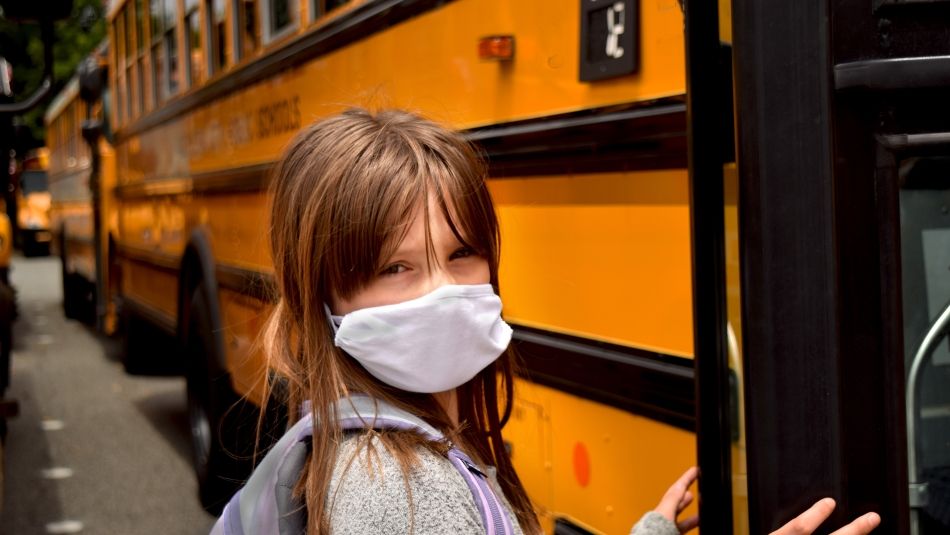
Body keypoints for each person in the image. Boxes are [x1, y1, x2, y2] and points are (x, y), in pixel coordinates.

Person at [212, 108, 881, 535]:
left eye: (461, 253)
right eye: (397, 268)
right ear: (324, 298)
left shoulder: (389, 444)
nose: (444, 290)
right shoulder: (400, 493)